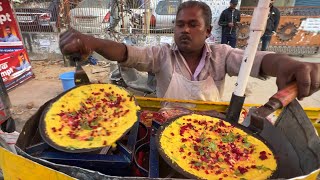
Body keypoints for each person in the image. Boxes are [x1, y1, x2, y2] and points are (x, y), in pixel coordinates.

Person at [59, 1, 320, 103]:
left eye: (193, 25)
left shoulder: (222, 55)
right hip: (166, 130)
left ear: (207, 31)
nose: (185, 30)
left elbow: (254, 60)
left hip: (210, 130)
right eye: (180, 24)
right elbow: (128, 52)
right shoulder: (161, 56)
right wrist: (93, 41)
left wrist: (287, 63)